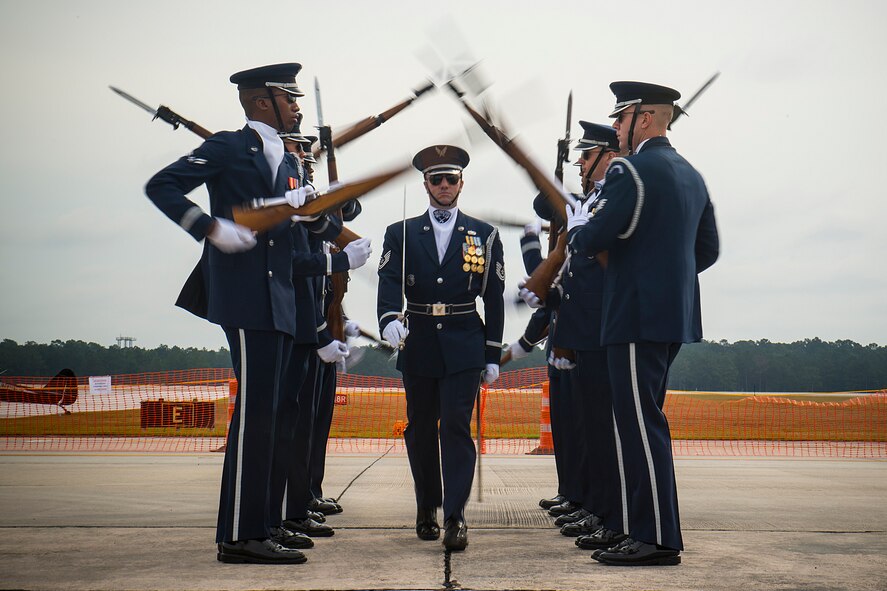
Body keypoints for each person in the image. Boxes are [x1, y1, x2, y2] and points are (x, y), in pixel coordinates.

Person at [145, 63, 321, 565]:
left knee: (270, 420)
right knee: (253, 420)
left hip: (282, 302)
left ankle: (263, 525)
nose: (297, 107)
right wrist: (209, 227)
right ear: (262, 101)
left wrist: (308, 215)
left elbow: (285, 239)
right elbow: (163, 186)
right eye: (290, 98)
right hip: (245, 297)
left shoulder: (289, 164)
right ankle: (240, 536)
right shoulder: (228, 146)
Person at [565, 81, 720, 566]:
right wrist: (667, 276)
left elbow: (597, 236)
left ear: (644, 118)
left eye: (621, 118)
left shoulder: (631, 170)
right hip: (671, 315)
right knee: (643, 422)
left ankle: (655, 539)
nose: (615, 128)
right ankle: (640, 528)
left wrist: (577, 234)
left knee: (638, 427)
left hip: (633, 315)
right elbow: (708, 249)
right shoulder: (691, 174)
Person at [377, 145, 505, 551]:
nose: (445, 185)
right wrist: (388, 319)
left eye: (451, 179)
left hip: (465, 337)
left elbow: (495, 297)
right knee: (419, 429)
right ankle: (426, 505)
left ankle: (455, 515)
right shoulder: (400, 232)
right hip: (419, 342)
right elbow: (388, 284)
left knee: (455, 426)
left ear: (461, 183)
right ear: (426, 185)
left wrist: (491, 353)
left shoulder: (485, 234)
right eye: (437, 179)